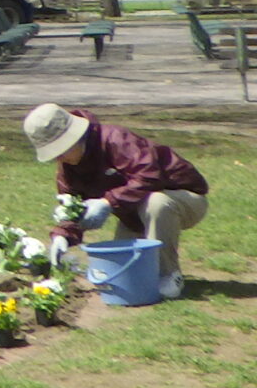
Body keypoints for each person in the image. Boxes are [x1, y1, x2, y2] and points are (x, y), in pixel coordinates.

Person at [28, 103, 209, 300]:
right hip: (133, 212)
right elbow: (72, 205)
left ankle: (169, 275)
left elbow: (149, 177)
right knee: (124, 267)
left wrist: (106, 202)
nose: (59, 158)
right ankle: (150, 275)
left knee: (157, 202)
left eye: (61, 151)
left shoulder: (116, 139)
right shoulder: (68, 167)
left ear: (75, 138)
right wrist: (63, 235)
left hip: (183, 199)